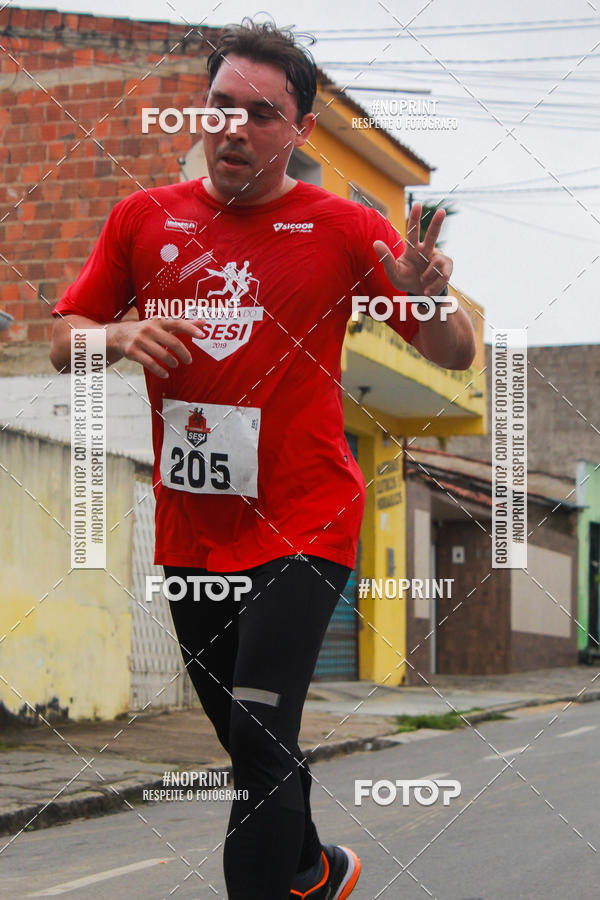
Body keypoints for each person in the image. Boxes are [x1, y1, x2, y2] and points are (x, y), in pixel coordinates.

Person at [49, 18, 476, 899]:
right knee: (253, 743)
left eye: (260, 113)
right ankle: (313, 871)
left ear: (300, 130)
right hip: (192, 530)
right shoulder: (143, 219)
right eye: (220, 106)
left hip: (304, 522)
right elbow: (64, 341)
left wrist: (431, 297)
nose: (233, 126)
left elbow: (454, 353)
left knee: (258, 731)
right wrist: (116, 335)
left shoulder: (345, 228)